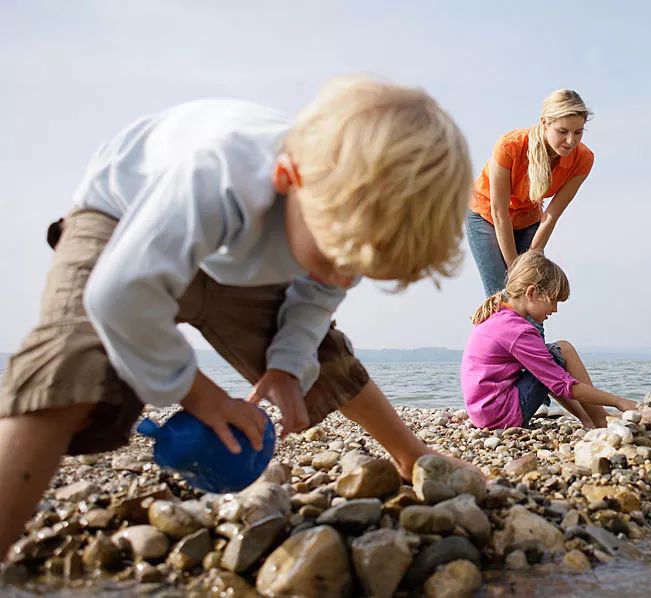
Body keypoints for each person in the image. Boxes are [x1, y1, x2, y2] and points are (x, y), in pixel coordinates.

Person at [0, 78, 475, 558]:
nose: (341, 277)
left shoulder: (327, 220)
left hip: (245, 254)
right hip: (124, 218)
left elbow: (315, 297)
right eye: (336, 257)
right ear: (289, 180)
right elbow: (118, 295)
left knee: (321, 354)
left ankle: (409, 453)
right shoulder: (220, 175)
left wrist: (287, 365)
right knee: (70, 358)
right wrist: (199, 394)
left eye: (360, 272)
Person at [460, 251, 637, 430]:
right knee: (563, 350)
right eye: (553, 301)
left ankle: (589, 420)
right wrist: (618, 401)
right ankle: (600, 419)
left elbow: (552, 377)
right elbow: (561, 385)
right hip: (502, 416)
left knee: (547, 366)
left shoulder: (498, 315)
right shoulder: (519, 330)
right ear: (531, 292)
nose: (555, 309)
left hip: (485, 412)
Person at [467, 89, 594, 297]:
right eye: (563, 131)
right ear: (544, 123)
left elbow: (551, 216)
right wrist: (515, 268)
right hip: (487, 215)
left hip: (528, 218)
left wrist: (531, 258)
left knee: (533, 294)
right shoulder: (509, 146)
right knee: (504, 293)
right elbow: (499, 213)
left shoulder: (583, 160)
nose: (571, 141)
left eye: (578, 133)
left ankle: (533, 331)